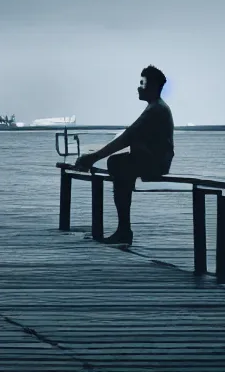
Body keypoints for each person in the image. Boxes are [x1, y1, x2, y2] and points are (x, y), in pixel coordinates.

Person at [74, 65, 174, 245]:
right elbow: (130, 136)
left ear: (151, 87)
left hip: (156, 164)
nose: (138, 87)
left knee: (116, 164)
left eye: (142, 84)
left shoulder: (156, 110)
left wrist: (93, 157)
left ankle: (124, 229)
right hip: (153, 160)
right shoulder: (155, 107)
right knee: (117, 164)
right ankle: (123, 228)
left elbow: (127, 137)